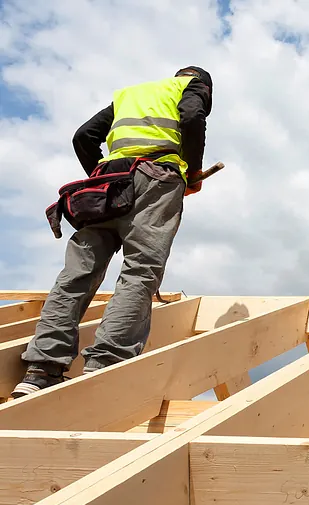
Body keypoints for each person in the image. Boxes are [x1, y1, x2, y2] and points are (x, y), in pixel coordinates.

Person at [10, 66, 213, 399]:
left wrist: (101, 176)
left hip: (106, 185)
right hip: (156, 179)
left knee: (77, 273)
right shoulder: (193, 87)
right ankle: (106, 367)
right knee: (140, 271)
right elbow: (191, 118)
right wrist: (191, 173)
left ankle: (41, 370)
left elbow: (84, 136)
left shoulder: (130, 94)